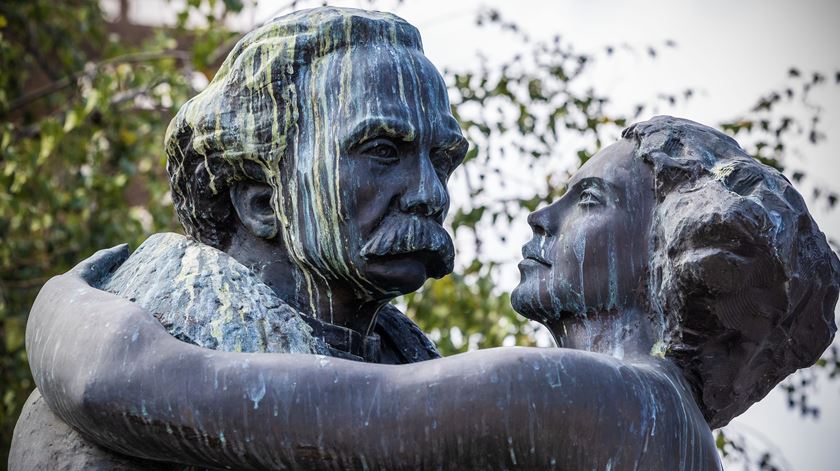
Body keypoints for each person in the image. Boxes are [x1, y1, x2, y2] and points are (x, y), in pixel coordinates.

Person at [17, 116, 836, 470]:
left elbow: (143, 386)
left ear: (672, 259)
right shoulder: (662, 423)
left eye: (589, 202)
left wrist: (63, 295)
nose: (541, 213)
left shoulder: (610, 401)